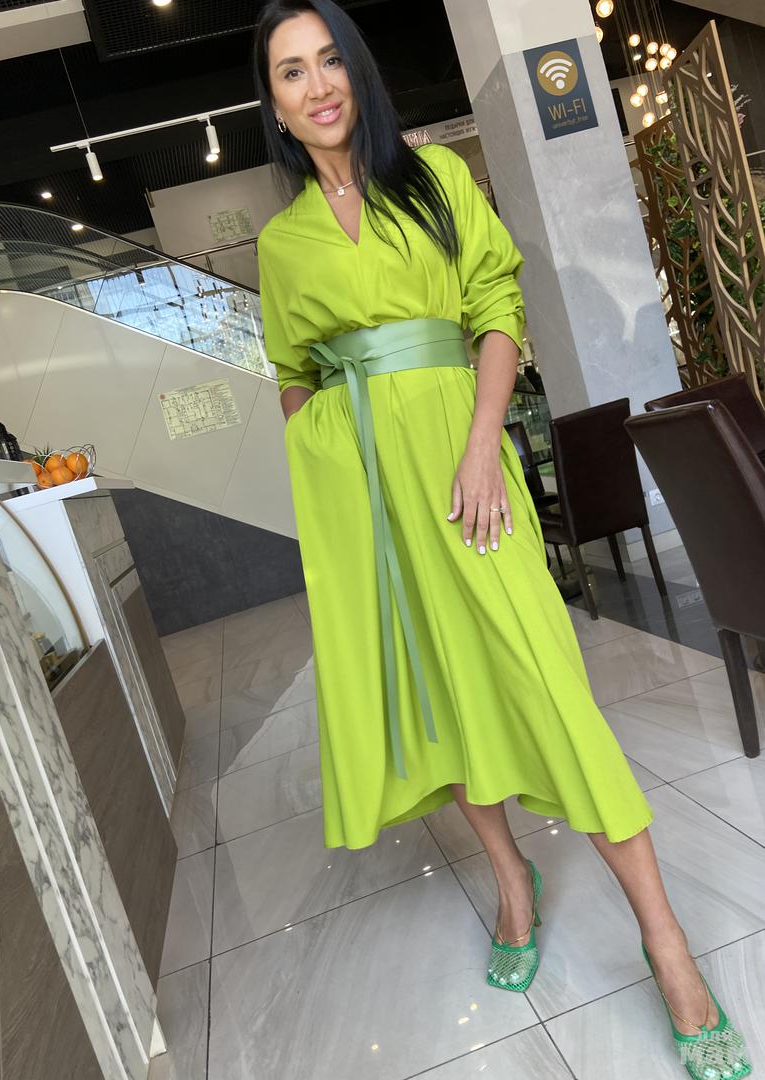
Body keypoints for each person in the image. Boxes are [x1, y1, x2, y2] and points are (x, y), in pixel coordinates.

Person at [253, 2, 751, 1075]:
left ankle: (665, 941)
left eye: (330, 59)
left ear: (357, 72)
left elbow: (495, 309)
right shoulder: (282, 244)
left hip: (465, 471)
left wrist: (484, 447)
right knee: (443, 693)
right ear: (276, 105)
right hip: (367, 506)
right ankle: (511, 881)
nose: (318, 85)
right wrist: (334, 483)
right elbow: (293, 375)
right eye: (292, 72)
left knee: (547, 685)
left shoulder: (434, 182)